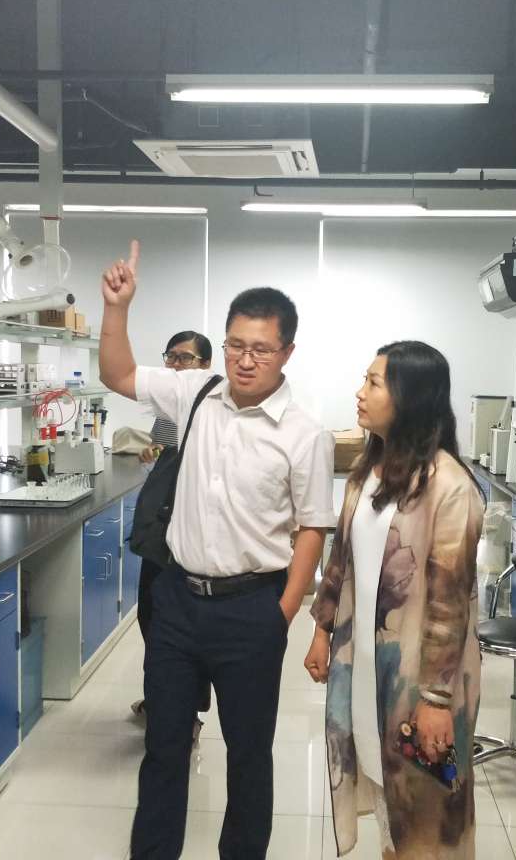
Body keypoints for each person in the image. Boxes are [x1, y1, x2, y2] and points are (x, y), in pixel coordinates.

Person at [98, 240, 337, 860]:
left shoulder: (304, 435)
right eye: (235, 345)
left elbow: (313, 527)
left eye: (261, 349)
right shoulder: (196, 393)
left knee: (249, 754)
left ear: (287, 352)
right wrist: (117, 308)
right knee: (164, 747)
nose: (245, 360)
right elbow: (117, 374)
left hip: (252, 608)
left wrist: (283, 611)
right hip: (178, 602)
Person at [305, 341, 485, 859]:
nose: (359, 393)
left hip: (422, 683)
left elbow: (450, 607)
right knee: (390, 805)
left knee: (425, 817)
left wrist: (435, 700)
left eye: (374, 383)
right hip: (366, 672)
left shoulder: (449, 487)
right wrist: (321, 631)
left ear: (410, 397)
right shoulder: (368, 472)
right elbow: (340, 562)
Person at [129, 331, 213, 733]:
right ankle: (162, 701)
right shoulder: (169, 406)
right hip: (158, 533)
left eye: (186, 358)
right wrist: (153, 453)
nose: (176, 365)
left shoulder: (206, 408)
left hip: (184, 535)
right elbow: (164, 453)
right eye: (171, 357)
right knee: (151, 617)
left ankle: (185, 714)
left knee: (176, 625)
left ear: (206, 366)